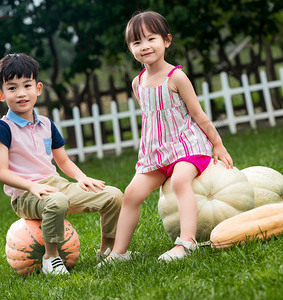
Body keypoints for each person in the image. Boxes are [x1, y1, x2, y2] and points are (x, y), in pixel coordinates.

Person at [100, 11, 233, 265]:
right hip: (157, 152)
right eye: (137, 42)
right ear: (130, 48)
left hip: (188, 146)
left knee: (180, 181)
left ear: (167, 40)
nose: (145, 46)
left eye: (151, 39)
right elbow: (153, 120)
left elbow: (199, 114)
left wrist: (218, 144)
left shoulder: (176, 77)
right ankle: (119, 253)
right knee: (131, 194)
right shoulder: (137, 83)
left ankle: (186, 243)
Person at [0, 53, 123, 275]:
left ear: (38, 88)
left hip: (55, 184)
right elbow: (1, 172)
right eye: (12, 88)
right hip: (25, 194)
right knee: (57, 201)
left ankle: (108, 251)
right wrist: (32, 186)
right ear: (1, 95)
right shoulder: (3, 128)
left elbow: (63, 160)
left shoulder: (46, 124)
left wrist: (81, 178)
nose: (21, 93)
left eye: (27, 85)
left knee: (113, 196)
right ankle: (51, 259)